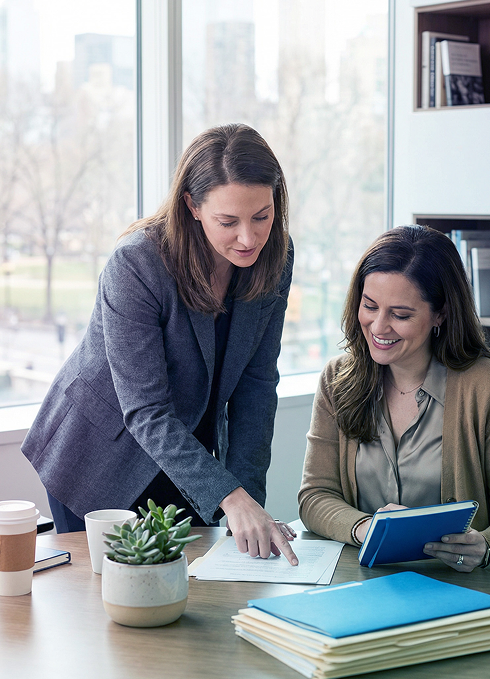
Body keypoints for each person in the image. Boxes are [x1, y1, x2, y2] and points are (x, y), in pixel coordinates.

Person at [22, 123, 298, 565]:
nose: (249, 238)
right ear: (192, 205)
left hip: (187, 456)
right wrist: (231, 496)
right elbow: (146, 411)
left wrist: (248, 500)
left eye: (261, 216)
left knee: (195, 595)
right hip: (99, 455)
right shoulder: (137, 263)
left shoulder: (275, 260)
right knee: (108, 605)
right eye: (228, 222)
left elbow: (257, 385)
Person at [298, 225, 490, 598]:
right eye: (370, 306)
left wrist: (485, 545)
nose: (378, 327)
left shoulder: (489, 389)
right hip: (369, 588)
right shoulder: (338, 380)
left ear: (440, 314)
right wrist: (366, 528)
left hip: (469, 591)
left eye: (401, 314)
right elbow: (316, 495)